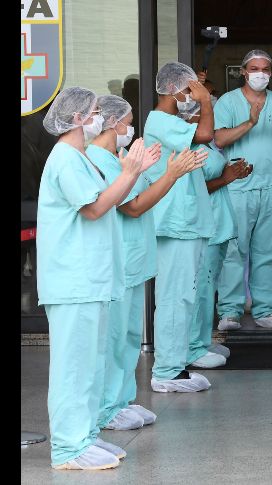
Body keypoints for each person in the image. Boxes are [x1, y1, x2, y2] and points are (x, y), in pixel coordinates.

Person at [37, 87, 148, 470]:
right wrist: (131, 171)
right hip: (72, 282)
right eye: (97, 111)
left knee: (90, 366)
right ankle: (67, 447)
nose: (102, 118)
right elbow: (96, 208)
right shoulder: (65, 159)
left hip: (89, 280)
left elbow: (110, 198)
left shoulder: (82, 158)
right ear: (79, 118)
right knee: (73, 368)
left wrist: (133, 173)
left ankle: (83, 437)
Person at [88, 95, 196, 432]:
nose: (131, 128)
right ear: (115, 123)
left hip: (134, 258)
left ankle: (121, 401)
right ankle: (107, 408)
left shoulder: (115, 157)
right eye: (129, 121)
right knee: (116, 338)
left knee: (130, 337)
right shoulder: (96, 160)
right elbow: (132, 207)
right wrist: (171, 175)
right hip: (118, 260)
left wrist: (141, 169)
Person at [213, 49, 272, 330]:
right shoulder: (228, 102)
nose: (260, 73)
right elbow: (219, 138)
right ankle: (229, 311)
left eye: (265, 68)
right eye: (254, 68)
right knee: (233, 250)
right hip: (238, 186)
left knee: (271, 250)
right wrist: (250, 121)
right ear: (243, 71)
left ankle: (265, 309)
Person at [143, 62, 217, 393]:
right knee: (175, 296)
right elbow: (205, 135)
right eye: (192, 89)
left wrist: (199, 105)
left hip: (186, 222)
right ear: (178, 91)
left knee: (184, 295)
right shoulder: (159, 120)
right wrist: (207, 103)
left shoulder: (171, 122)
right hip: (175, 223)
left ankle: (176, 363)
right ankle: (167, 371)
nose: (196, 95)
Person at [183, 105, 251, 368]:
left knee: (208, 288)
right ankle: (192, 348)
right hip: (203, 225)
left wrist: (233, 173)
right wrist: (226, 178)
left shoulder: (208, 145)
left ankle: (202, 341)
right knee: (200, 289)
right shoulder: (187, 148)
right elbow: (192, 187)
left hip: (219, 223)